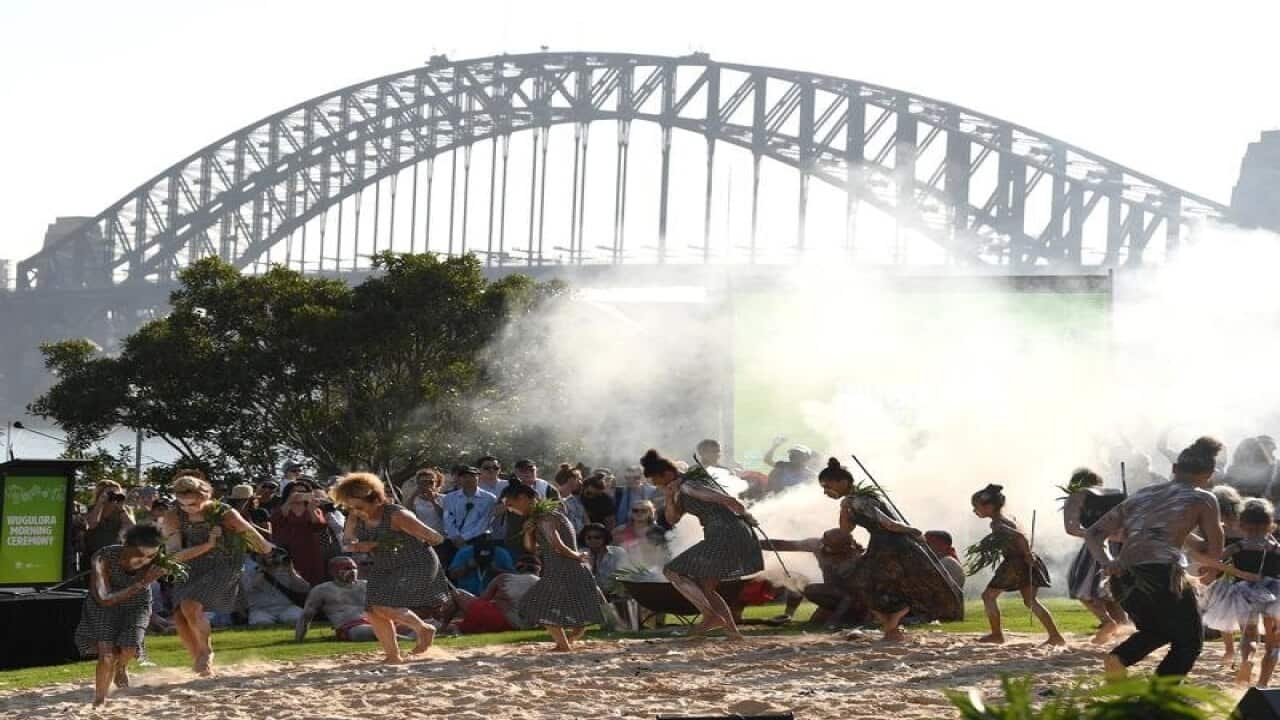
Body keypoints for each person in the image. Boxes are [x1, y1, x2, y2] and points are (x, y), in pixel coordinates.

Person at [1086, 436, 1225, 679]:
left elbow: (1093, 533)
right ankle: (1160, 698)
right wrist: (1212, 570)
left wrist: (1108, 561)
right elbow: (1215, 543)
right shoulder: (1203, 498)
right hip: (1162, 575)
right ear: (1210, 474)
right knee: (1190, 641)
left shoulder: (1144, 494)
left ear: (1173, 469)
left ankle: (1119, 658)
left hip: (1124, 576)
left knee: (1156, 630)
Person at [819, 458, 962, 641]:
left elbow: (888, 524)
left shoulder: (862, 501)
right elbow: (846, 530)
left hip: (895, 547)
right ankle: (891, 628)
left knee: (890, 586)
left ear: (842, 482)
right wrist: (844, 509)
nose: (826, 491)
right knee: (868, 586)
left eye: (827, 486)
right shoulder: (851, 503)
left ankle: (893, 627)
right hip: (882, 545)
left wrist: (912, 530)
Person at [642, 448, 763, 640]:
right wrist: (668, 496)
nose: (655, 485)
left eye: (656, 481)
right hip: (724, 532)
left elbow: (727, 499)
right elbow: (672, 520)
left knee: (672, 571)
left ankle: (710, 616)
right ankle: (731, 631)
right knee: (707, 586)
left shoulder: (689, 485)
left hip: (725, 533)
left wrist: (747, 515)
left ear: (667, 474)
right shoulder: (679, 489)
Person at [161, 472, 274, 676]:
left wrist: (266, 548)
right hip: (191, 562)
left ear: (205, 497)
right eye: (183, 504)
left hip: (225, 562)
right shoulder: (173, 516)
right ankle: (199, 659)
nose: (187, 509)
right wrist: (207, 545)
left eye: (193, 504)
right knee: (179, 615)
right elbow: (174, 555)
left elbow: (253, 537)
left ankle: (205, 654)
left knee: (190, 605)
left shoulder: (223, 512)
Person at [333, 472, 452, 663]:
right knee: (372, 610)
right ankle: (392, 656)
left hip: (416, 562)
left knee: (385, 604)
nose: (356, 511)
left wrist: (403, 539)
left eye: (360, 507)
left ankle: (423, 629)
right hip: (384, 564)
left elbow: (436, 538)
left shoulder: (397, 515)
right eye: (351, 507)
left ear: (375, 499)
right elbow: (346, 543)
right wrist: (360, 545)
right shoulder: (355, 516)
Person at [74, 523, 168, 706]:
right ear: (126, 546)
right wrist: (142, 582)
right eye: (140, 555)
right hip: (103, 606)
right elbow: (104, 599)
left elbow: (182, 556)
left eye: (151, 556)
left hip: (137, 603)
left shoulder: (156, 559)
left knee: (129, 648)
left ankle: (121, 667)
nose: (145, 560)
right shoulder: (103, 558)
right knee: (107, 654)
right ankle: (100, 699)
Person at [504, 482, 604, 651]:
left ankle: (564, 645)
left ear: (522, 498)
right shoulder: (544, 518)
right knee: (572, 606)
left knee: (535, 604)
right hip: (568, 568)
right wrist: (528, 533)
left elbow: (556, 545)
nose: (510, 509)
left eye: (510, 505)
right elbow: (532, 549)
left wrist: (577, 555)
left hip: (562, 568)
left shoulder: (546, 518)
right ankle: (567, 642)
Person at [971, 484, 1066, 647]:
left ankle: (996, 634)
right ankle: (1055, 636)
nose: (975, 511)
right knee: (1030, 601)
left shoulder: (997, 523)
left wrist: (1027, 554)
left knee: (988, 596)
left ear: (990, 507)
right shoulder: (1008, 518)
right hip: (1022, 560)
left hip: (1016, 563)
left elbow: (1020, 537)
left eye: (976, 507)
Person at [1199, 498, 1280, 686]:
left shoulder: (1239, 546)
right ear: (1270, 524)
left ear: (1242, 525)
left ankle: (1247, 661)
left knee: (1249, 634)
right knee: (1273, 640)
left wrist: (1209, 569)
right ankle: (1263, 683)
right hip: (1275, 594)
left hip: (1244, 594)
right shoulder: (1276, 548)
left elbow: (1213, 562)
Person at [1061, 468, 1127, 644]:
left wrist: (1095, 534)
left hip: (1097, 545)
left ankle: (1108, 622)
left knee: (1080, 585)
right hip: (1122, 545)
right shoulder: (1118, 494)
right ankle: (1123, 630)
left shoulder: (1077, 497)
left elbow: (1072, 528)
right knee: (1112, 591)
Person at [760, 529, 866, 627]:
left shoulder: (856, 559)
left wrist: (834, 620)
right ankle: (789, 615)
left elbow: (854, 594)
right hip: (832, 595)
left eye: (830, 547)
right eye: (825, 544)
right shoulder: (816, 545)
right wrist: (755, 543)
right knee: (800, 583)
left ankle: (849, 617)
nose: (825, 548)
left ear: (844, 548)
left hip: (854, 600)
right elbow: (783, 545)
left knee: (842, 602)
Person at [296, 556, 396, 642]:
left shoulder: (366, 585)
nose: (352, 571)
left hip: (376, 622)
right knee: (371, 631)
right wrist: (298, 639)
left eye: (354, 568)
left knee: (408, 625)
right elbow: (306, 616)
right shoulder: (321, 590)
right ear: (333, 572)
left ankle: (403, 638)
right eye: (347, 568)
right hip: (350, 628)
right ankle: (404, 640)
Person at [457, 555, 542, 634]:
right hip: (529, 625)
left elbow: (483, 599)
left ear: (519, 567)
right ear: (538, 570)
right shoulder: (543, 583)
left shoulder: (504, 578)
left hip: (505, 621)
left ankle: (444, 626)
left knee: (457, 593)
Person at [269, 485, 329, 586]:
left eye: (303, 491)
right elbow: (276, 520)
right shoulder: (282, 508)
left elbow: (319, 526)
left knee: (314, 581)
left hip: (311, 550)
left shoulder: (314, 508)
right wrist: (290, 501)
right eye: (295, 491)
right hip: (288, 551)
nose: (300, 494)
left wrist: (311, 509)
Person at [441, 465, 499, 566]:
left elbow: (485, 522)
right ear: (459, 479)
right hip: (454, 540)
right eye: (464, 476)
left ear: (478, 477)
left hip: (479, 539)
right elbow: (448, 519)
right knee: (453, 569)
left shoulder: (489, 498)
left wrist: (464, 538)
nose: (468, 479)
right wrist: (455, 537)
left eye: (472, 476)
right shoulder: (449, 498)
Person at [241, 551, 310, 626]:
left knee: (300, 619)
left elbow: (305, 588)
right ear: (258, 558)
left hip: (285, 607)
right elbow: (247, 588)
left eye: (274, 556)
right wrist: (263, 571)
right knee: (261, 623)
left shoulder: (284, 569)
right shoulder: (249, 570)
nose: (272, 559)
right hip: (260, 609)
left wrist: (291, 572)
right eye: (269, 556)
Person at [447, 533, 515, 595]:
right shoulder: (464, 552)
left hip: (494, 596)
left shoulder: (502, 553)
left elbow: (514, 577)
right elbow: (452, 575)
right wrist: (467, 567)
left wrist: (496, 570)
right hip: (467, 595)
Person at [84, 481, 136, 560]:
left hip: (115, 554)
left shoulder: (125, 510)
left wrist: (121, 509)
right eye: (111, 493)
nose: (114, 496)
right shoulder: (91, 508)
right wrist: (100, 503)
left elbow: (132, 529)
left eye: (117, 493)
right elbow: (91, 525)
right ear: (100, 494)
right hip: (93, 554)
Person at [580, 523, 628, 602]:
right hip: (592, 598)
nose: (593, 540)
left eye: (597, 537)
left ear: (604, 538)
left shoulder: (618, 553)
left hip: (617, 597)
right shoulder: (581, 554)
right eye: (589, 538)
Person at [403, 468, 445, 532]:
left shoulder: (443, 498)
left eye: (431, 482)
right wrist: (413, 495)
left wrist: (433, 500)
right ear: (418, 483)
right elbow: (406, 514)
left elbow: (444, 516)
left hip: (440, 535)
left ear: (436, 483)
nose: (427, 485)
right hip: (421, 535)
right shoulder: (414, 499)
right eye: (424, 482)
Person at [555, 464, 588, 534]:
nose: (581, 483)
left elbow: (586, 521)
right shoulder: (553, 499)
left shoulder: (576, 500)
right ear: (571, 479)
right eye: (579, 479)